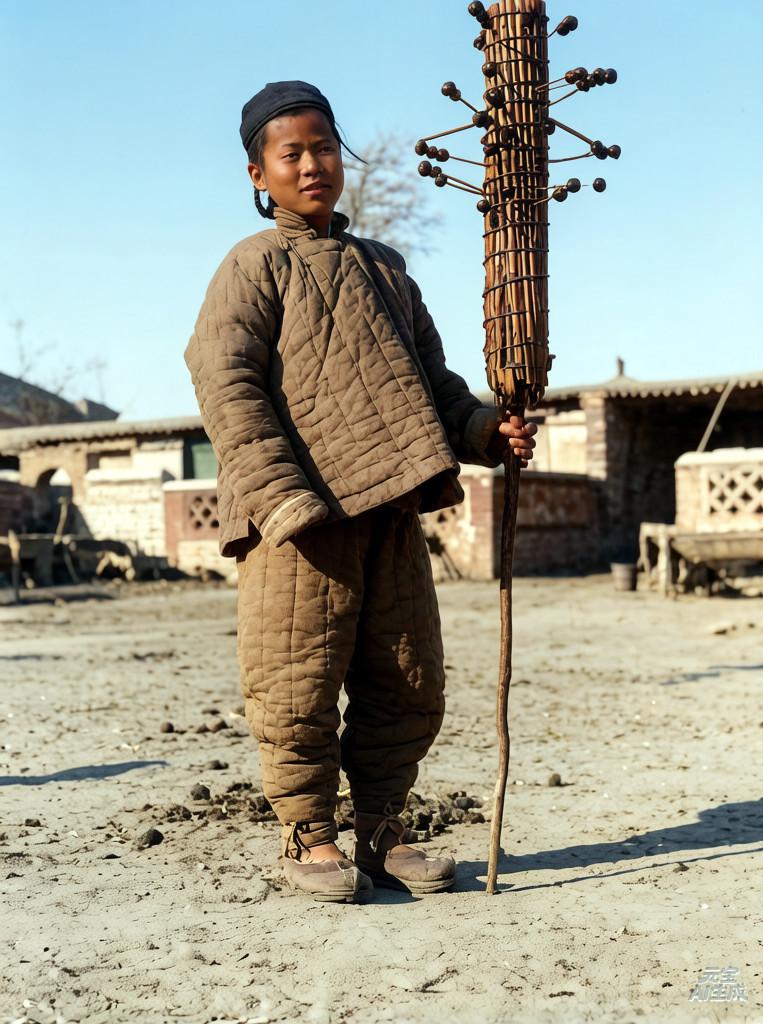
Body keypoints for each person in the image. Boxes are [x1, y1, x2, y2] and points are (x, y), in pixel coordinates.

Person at [184, 81, 537, 903]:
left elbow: (433, 382)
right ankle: (309, 835)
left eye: (324, 148)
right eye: (291, 154)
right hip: (299, 519)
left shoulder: (385, 267)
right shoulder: (252, 265)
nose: (312, 165)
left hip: (389, 505)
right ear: (256, 173)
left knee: (408, 678)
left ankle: (381, 829)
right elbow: (224, 382)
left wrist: (485, 430)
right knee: (295, 678)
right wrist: (280, 498)